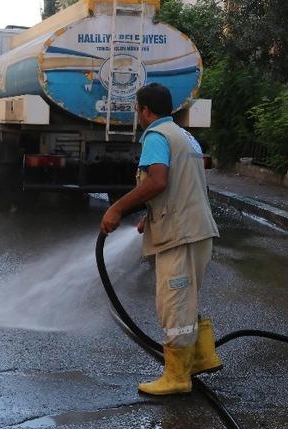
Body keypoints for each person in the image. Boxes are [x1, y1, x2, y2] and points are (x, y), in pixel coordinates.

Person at [100, 83, 221, 396]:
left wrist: (117, 207)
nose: (137, 115)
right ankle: (200, 359)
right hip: (196, 231)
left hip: (180, 235)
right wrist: (150, 215)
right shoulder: (184, 136)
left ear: (144, 110)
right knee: (185, 299)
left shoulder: (156, 136)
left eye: (137, 110)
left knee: (174, 305)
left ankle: (177, 377)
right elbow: (183, 186)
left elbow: (158, 180)